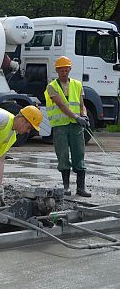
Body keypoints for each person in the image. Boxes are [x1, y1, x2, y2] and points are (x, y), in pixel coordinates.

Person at [44, 56, 91, 197]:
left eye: (66, 69)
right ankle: (66, 187)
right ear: (57, 71)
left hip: (75, 126)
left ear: (70, 69)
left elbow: (81, 104)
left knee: (79, 154)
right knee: (63, 155)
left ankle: (81, 188)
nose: (64, 72)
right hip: (60, 127)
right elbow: (61, 105)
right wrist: (76, 117)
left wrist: (84, 115)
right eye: (61, 70)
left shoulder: (77, 84)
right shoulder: (52, 86)